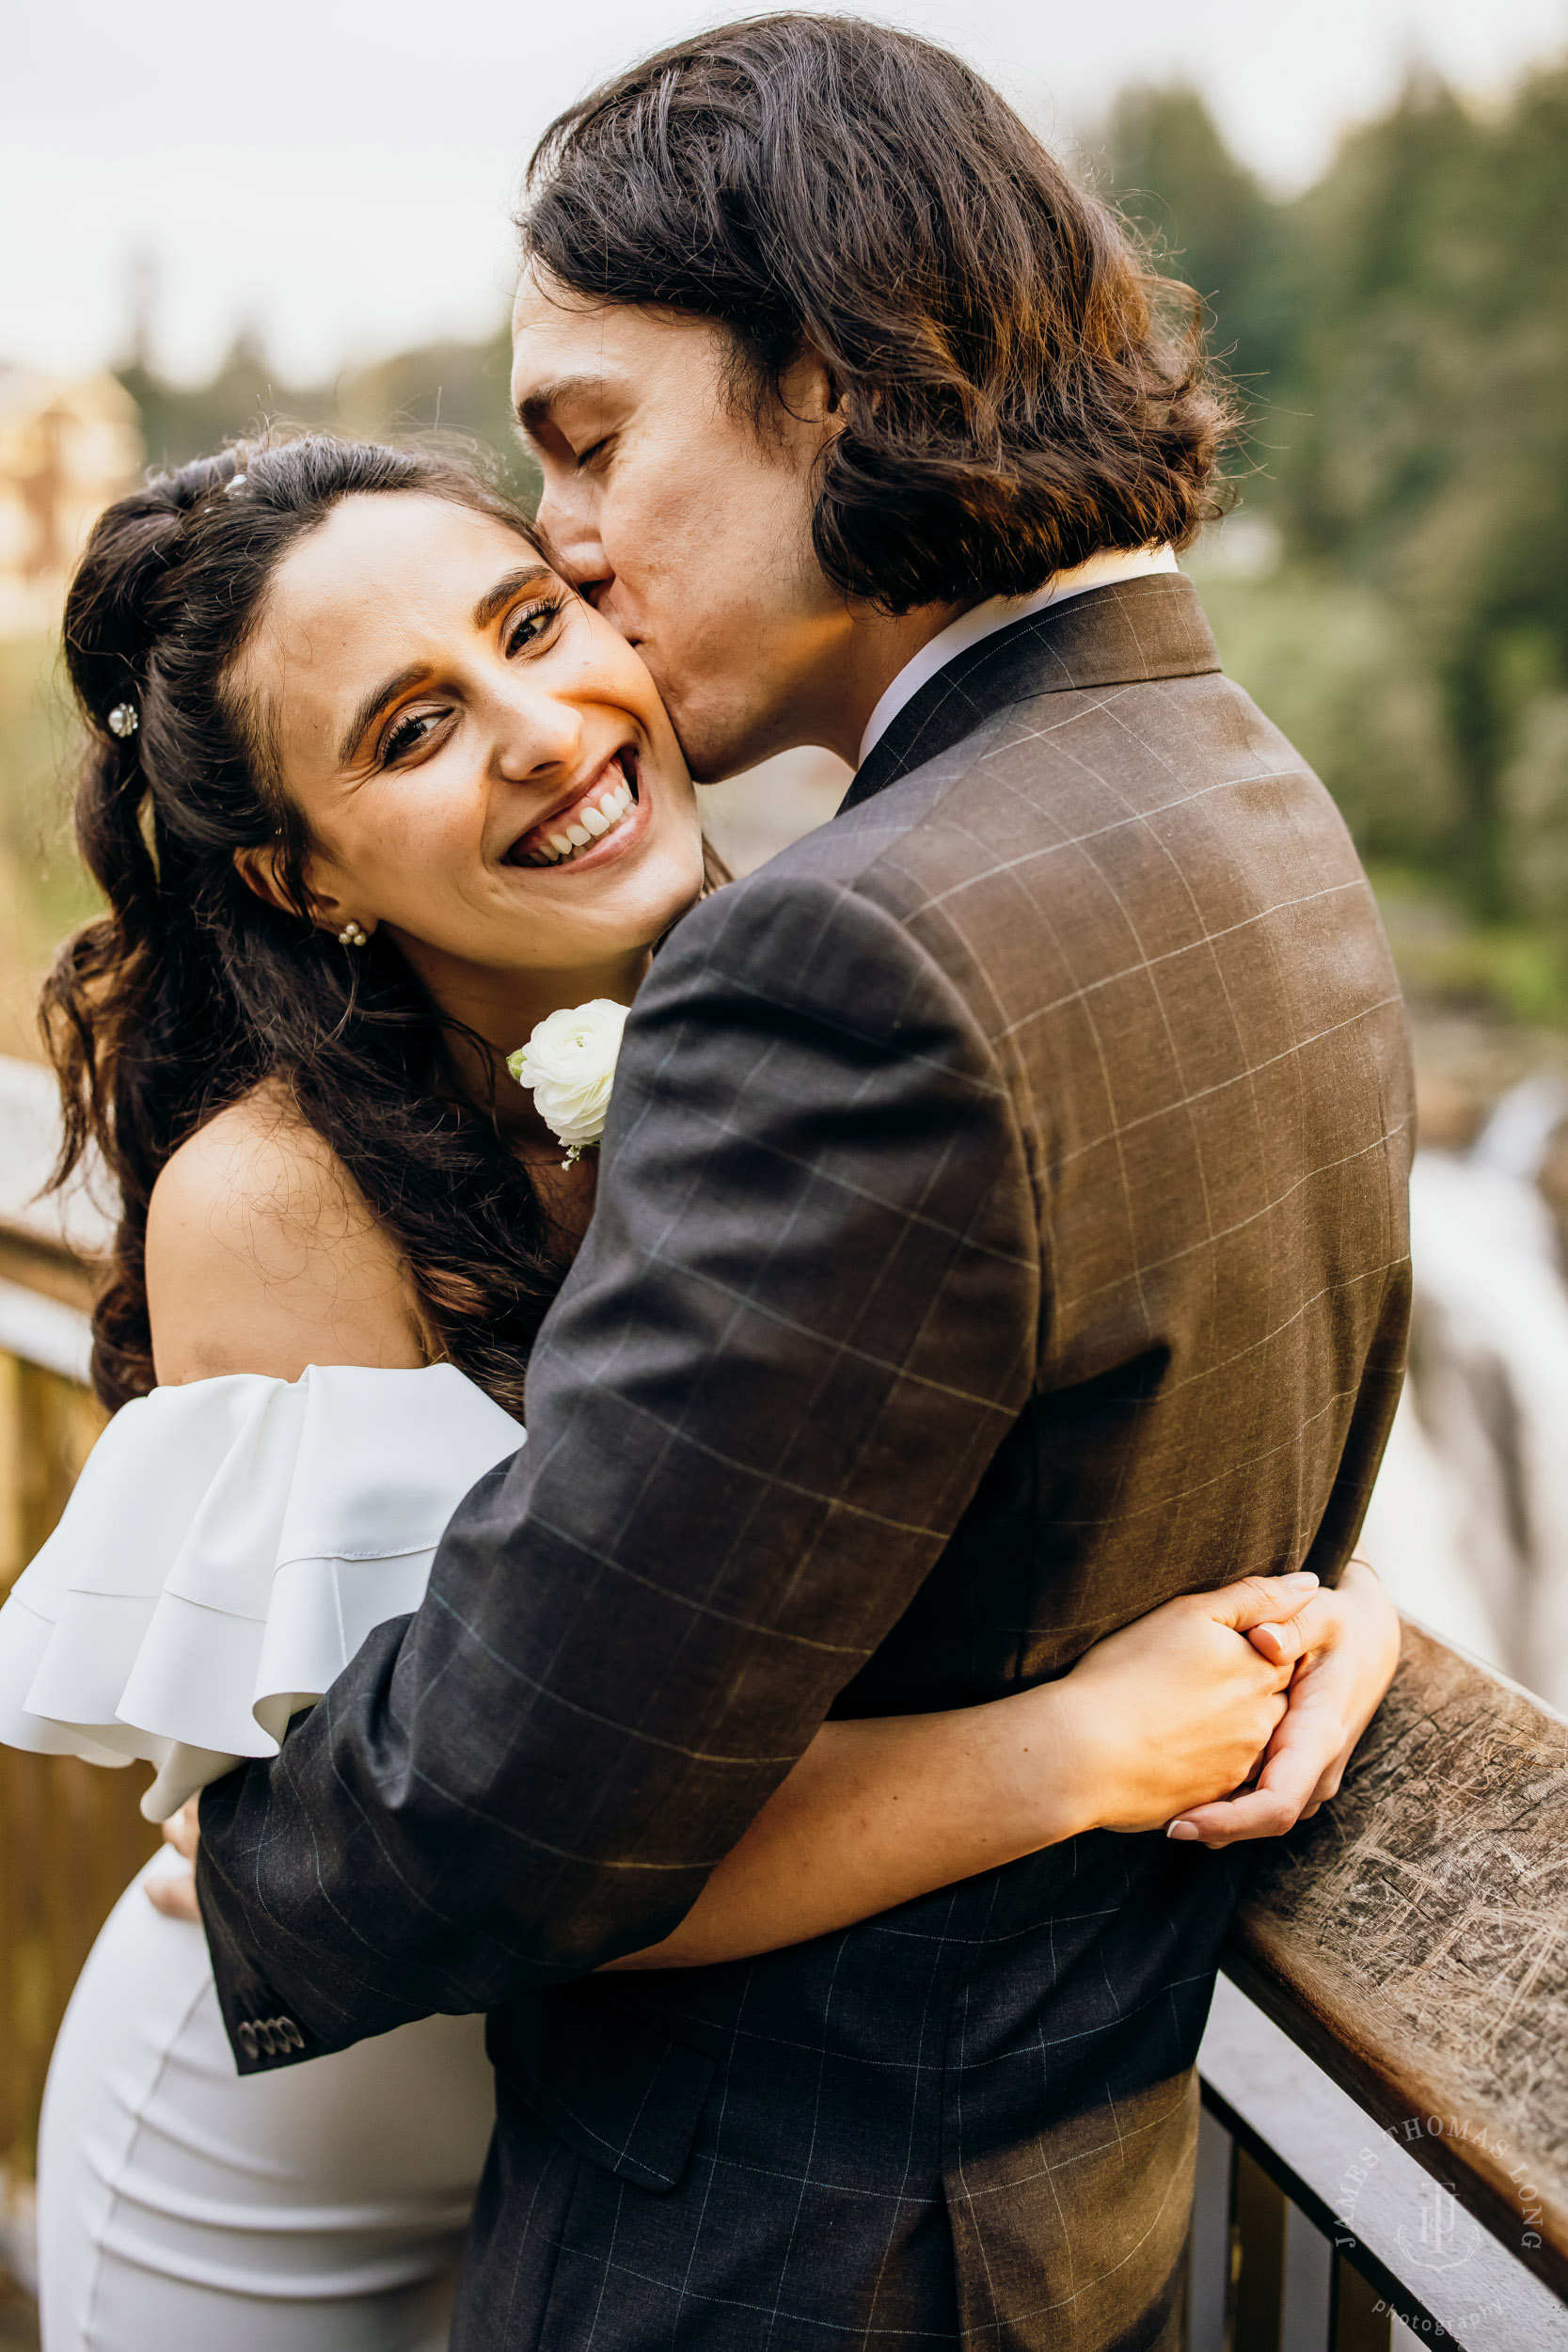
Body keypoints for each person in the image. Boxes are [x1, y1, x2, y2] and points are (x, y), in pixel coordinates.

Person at [181, 21, 1412, 2349]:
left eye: (592, 442)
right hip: (1052, 2217)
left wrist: (247, 1855)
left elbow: (526, 1784)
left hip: (784, 2249)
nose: (568, 537)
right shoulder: (1242, 780)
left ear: (836, 383)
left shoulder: (853, 943)